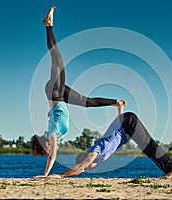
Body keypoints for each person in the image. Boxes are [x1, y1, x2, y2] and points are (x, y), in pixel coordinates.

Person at [31, 6, 126, 178]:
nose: (49, 150)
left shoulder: (51, 135)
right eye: (47, 150)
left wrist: (45, 175)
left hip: (55, 93)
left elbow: (52, 157)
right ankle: (116, 102)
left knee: (57, 58)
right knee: (86, 102)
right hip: (59, 96)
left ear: (43, 142)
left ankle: (48, 25)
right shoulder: (54, 138)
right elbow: (53, 152)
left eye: (45, 148)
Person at [49, 112, 172, 179]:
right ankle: (171, 169)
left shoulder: (95, 151)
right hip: (125, 123)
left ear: (86, 159)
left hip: (127, 121)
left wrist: (61, 175)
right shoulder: (99, 157)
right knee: (147, 147)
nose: (91, 168)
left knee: (149, 145)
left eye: (88, 167)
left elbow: (80, 167)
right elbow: (81, 168)